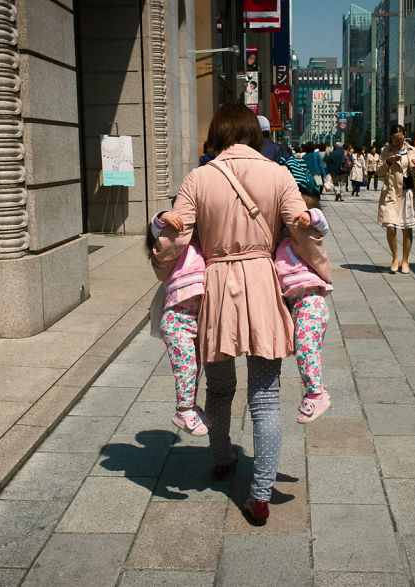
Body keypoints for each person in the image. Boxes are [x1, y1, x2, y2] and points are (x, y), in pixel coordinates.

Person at [151, 103, 332, 525]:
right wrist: (317, 268)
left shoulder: (199, 177)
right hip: (263, 283)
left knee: (218, 386)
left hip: (216, 287)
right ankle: (262, 493)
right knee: (266, 395)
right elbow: (300, 226)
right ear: (254, 133)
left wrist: (162, 267)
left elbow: (177, 235)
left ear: (216, 133)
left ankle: (220, 458)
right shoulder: (278, 174)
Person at [146, 211, 208, 436]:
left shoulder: (201, 244)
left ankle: (190, 405)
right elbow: (156, 231)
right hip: (176, 320)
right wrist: (163, 217)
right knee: (187, 367)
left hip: (192, 319)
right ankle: (183, 410)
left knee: (194, 367)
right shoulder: (178, 246)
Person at [274, 203, 333, 423]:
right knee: (307, 351)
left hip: (310, 302)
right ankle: (315, 391)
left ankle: (316, 394)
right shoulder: (279, 242)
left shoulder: (306, 237)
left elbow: (322, 225)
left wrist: (310, 215)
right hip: (297, 305)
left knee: (306, 350)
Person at [377, 124, 415, 274]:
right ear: (390, 138)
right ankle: (395, 257)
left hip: (408, 192)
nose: (398, 142)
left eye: (400, 138)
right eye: (395, 139)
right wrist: (388, 161)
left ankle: (405, 260)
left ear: (405, 135)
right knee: (390, 226)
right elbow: (378, 172)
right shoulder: (385, 151)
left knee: (407, 228)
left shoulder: (412, 150)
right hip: (391, 192)